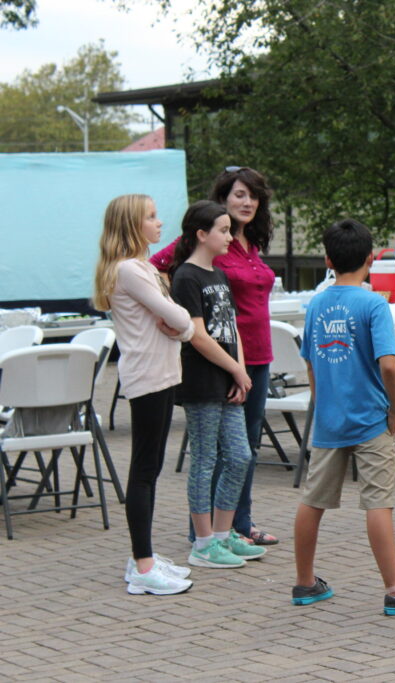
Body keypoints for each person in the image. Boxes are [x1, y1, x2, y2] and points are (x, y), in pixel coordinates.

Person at [291, 219, 395, 613]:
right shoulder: (373, 303)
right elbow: (390, 366)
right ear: (371, 259)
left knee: (312, 501)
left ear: (327, 259)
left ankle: (304, 582)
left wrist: (322, 401)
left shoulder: (317, 304)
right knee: (377, 504)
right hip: (370, 419)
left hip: (328, 420)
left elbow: (309, 362)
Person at [152, 167, 279, 545]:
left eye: (253, 196)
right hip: (215, 360)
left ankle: (238, 524)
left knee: (246, 446)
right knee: (216, 452)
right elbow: (154, 268)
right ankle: (206, 533)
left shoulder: (249, 244)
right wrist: (169, 316)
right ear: (222, 199)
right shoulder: (207, 241)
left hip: (256, 354)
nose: (247, 202)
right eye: (239, 194)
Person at [94, 195, 195, 596]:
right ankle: (143, 565)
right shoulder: (131, 270)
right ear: (132, 226)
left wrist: (180, 325)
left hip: (161, 374)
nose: (158, 223)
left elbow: (180, 324)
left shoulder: (139, 268)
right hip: (149, 377)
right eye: (150, 217)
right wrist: (180, 324)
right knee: (144, 471)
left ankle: (145, 555)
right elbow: (179, 317)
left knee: (149, 469)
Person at [170, 200, 268, 569]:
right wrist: (235, 370)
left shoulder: (219, 276)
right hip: (201, 383)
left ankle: (224, 536)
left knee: (240, 455)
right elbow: (198, 335)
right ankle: (203, 542)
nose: (230, 237)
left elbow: (233, 331)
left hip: (228, 382)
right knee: (206, 459)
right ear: (201, 234)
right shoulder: (186, 277)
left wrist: (240, 371)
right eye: (223, 231)